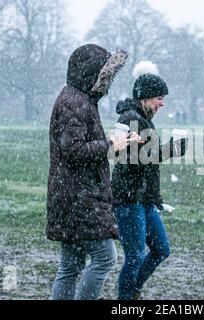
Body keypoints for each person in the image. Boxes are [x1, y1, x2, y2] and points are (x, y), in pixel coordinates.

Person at [46, 44, 137, 300]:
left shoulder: (76, 99)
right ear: (91, 73)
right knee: (105, 258)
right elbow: (73, 151)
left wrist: (115, 143)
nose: (106, 83)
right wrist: (110, 145)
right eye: (104, 75)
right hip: (80, 197)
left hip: (70, 194)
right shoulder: (73, 102)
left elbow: (77, 146)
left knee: (70, 266)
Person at [111, 61, 187, 300]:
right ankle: (125, 301)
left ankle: (133, 290)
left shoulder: (142, 118)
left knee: (161, 249)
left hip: (144, 199)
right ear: (145, 97)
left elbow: (147, 156)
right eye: (159, 98)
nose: (162, 103)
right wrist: (171, 149)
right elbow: (127, 156)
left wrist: (171, 149)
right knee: (134, 256)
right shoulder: (130, 118)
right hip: (129, 199)